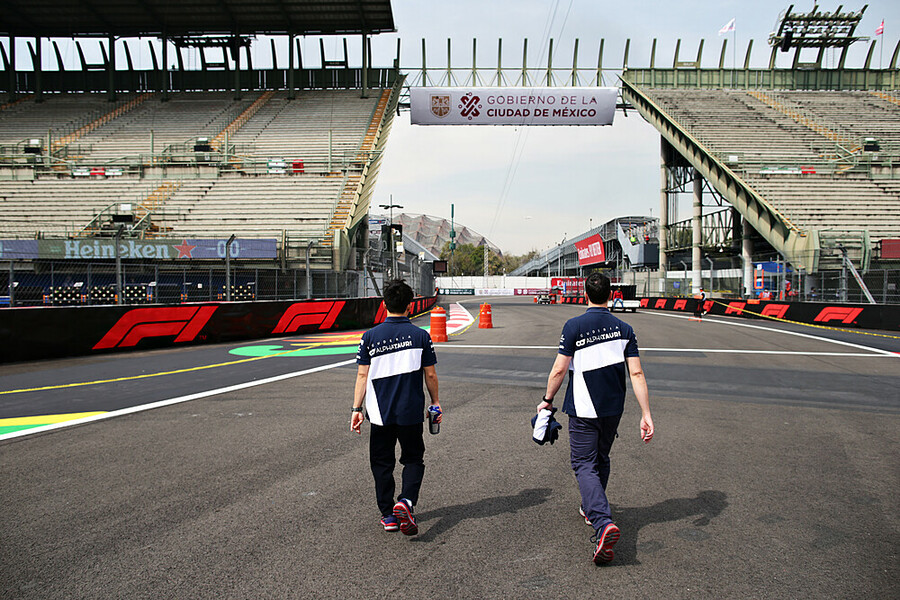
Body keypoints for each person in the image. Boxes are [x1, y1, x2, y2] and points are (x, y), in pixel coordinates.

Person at [537, 271, 654, 565]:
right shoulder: (625, 329)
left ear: (585, 295)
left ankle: (602, 522)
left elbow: (559, 370)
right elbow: (637, 373)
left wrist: (547, 400)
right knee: (601, 458)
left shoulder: (574, 326)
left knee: (583, 463)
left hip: (584, 408)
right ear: (611, 295)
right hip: (614, 408)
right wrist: (646, 414)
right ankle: (591, 508)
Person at [351, 279, 441, 535]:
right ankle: (407, 501)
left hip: (379, 413)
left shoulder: (369, 337)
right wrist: (435, 402)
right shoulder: (421, 336)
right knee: (413, 459)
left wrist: (356, 410)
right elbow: (430, 375)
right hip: (410, 412)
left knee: (382, 463)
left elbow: (362, 376)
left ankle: (389, 515)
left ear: (384, 305)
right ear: (410, 305)